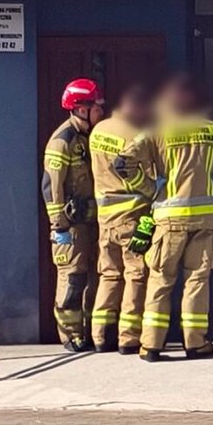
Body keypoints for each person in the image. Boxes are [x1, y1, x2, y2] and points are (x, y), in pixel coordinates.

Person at [116, 74, 213, 361]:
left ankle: (151, 346)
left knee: (160, 280)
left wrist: (150, 188)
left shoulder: (156, 130)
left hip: (168, 218)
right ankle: (195, 343)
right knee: (197, 281)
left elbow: (122, 162)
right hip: (205, 219)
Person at [87, 81, 155, 354]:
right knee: (136, 274)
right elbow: (148, 176)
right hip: (132, 216)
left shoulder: (98, 131)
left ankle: (100, 336)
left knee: (109, 275)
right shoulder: (136, 136)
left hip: (105, 218)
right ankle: (128, 338)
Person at [43, 78, 105, 352]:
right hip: (71, 227)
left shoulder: (87, 137)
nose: (101, 111)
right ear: (81, 109)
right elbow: (51, 186)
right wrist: (59, 226)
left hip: (91, 223)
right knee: (72, 280)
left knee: (93, 277)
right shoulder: (62, 141)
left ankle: (91, 332)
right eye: (96, 107)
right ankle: (71, 335)